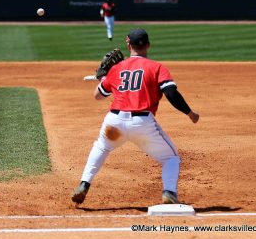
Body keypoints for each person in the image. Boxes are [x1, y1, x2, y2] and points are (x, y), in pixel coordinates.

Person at [72, 28, 199, 205]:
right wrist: (190, 113)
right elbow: (170, 92)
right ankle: (169, 192)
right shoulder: (157, 68)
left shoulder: (116, 68)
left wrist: (104, 78)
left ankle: (84, 184)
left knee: (101, 147)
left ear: (128, 43)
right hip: (142, 124)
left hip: (114, 122)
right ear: (148, 45)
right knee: (171, 158)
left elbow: (98, 96)